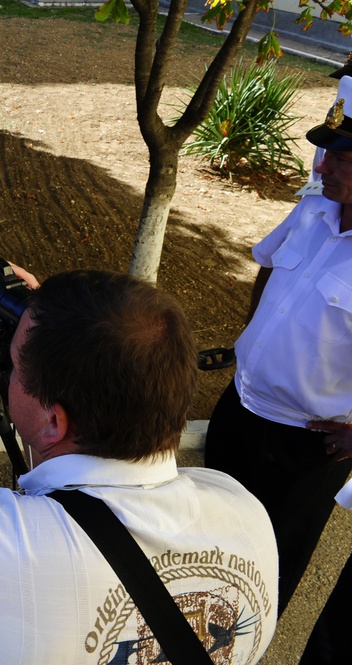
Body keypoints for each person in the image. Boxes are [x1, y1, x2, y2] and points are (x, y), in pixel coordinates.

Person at [0, 269, 278, 664]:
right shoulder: (246, 513)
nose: (6, 372)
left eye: (13, 366)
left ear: (54, 420)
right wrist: (48, 318)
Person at [204, 75, 352, 664]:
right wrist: (253, 339)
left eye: (341, 158)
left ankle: (238, 655)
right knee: (206, 541)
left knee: (268, 564)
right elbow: (268, 267)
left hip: (307, 443)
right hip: (240, 408)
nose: (324, 165)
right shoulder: (314, 209)